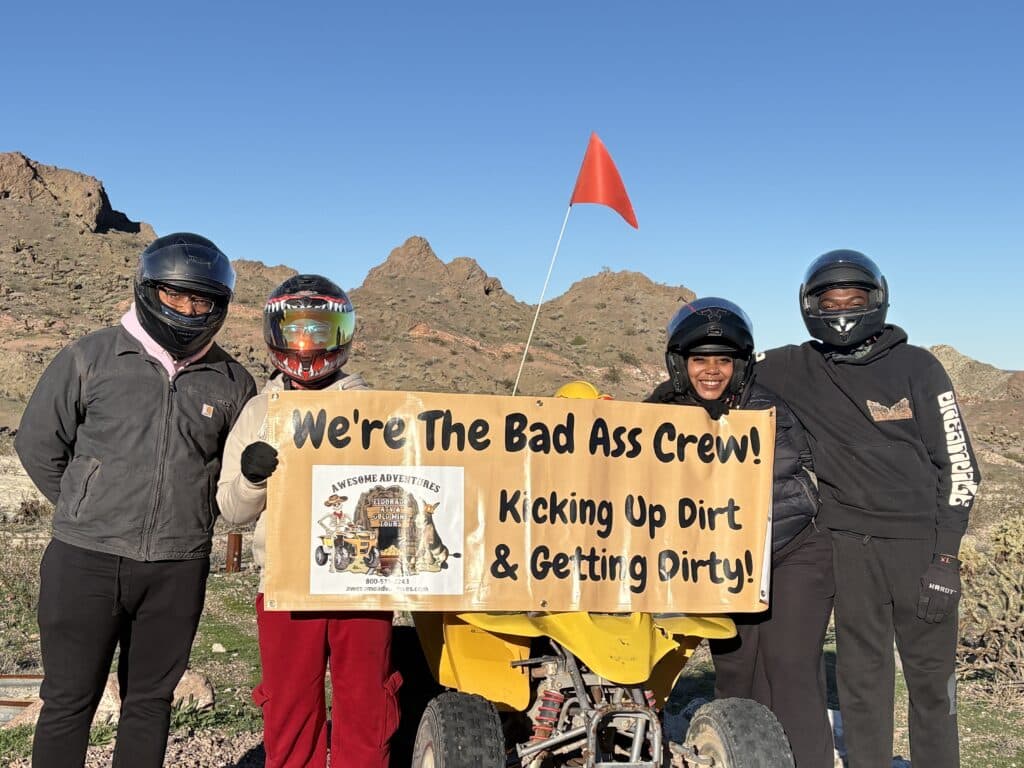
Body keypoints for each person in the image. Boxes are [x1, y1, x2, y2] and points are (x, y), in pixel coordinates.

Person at [15, 233, 256, 768]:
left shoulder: (233, 381)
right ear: (148, 289)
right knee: (68, 702)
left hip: (177, 566)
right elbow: (38, 443)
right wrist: (84, 506)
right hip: (84, 561)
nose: (188, 309)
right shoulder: (91, 356)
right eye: (175, 295)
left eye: (202, 300)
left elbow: (233, 477)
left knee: (150, 704)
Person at [753, 249, 979, 768]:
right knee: (861, 683)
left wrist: (946, 559)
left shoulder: (918, 366)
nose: (842, 311)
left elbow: (962, 468)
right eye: (829, 301)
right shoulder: (794, 365)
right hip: (847, 549)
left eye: (854, 299)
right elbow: (725, 368)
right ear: (809, 305)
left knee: (931, 686)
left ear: (877, 299)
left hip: (920, 551)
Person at [217, 274, 401, 768]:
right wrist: (253, 479)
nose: (306, 343)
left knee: (367, 706)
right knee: (289, 708)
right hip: (285, 581)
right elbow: (231, 512)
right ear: (274, 333)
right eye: (296, 329)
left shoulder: (377, 409)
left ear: (341, 334)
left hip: (362, 581)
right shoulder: (258, 412)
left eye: (319, 329)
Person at [646, 297, 835, 767]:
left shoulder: (767, 409)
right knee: (733, 674)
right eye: (700, 360)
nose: (712, 371)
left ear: (741, 364)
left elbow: (789, 472)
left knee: (790, 668)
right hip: (721, 563)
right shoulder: (659, 407)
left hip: (790, 550)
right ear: (680, 364)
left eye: (723, 361)